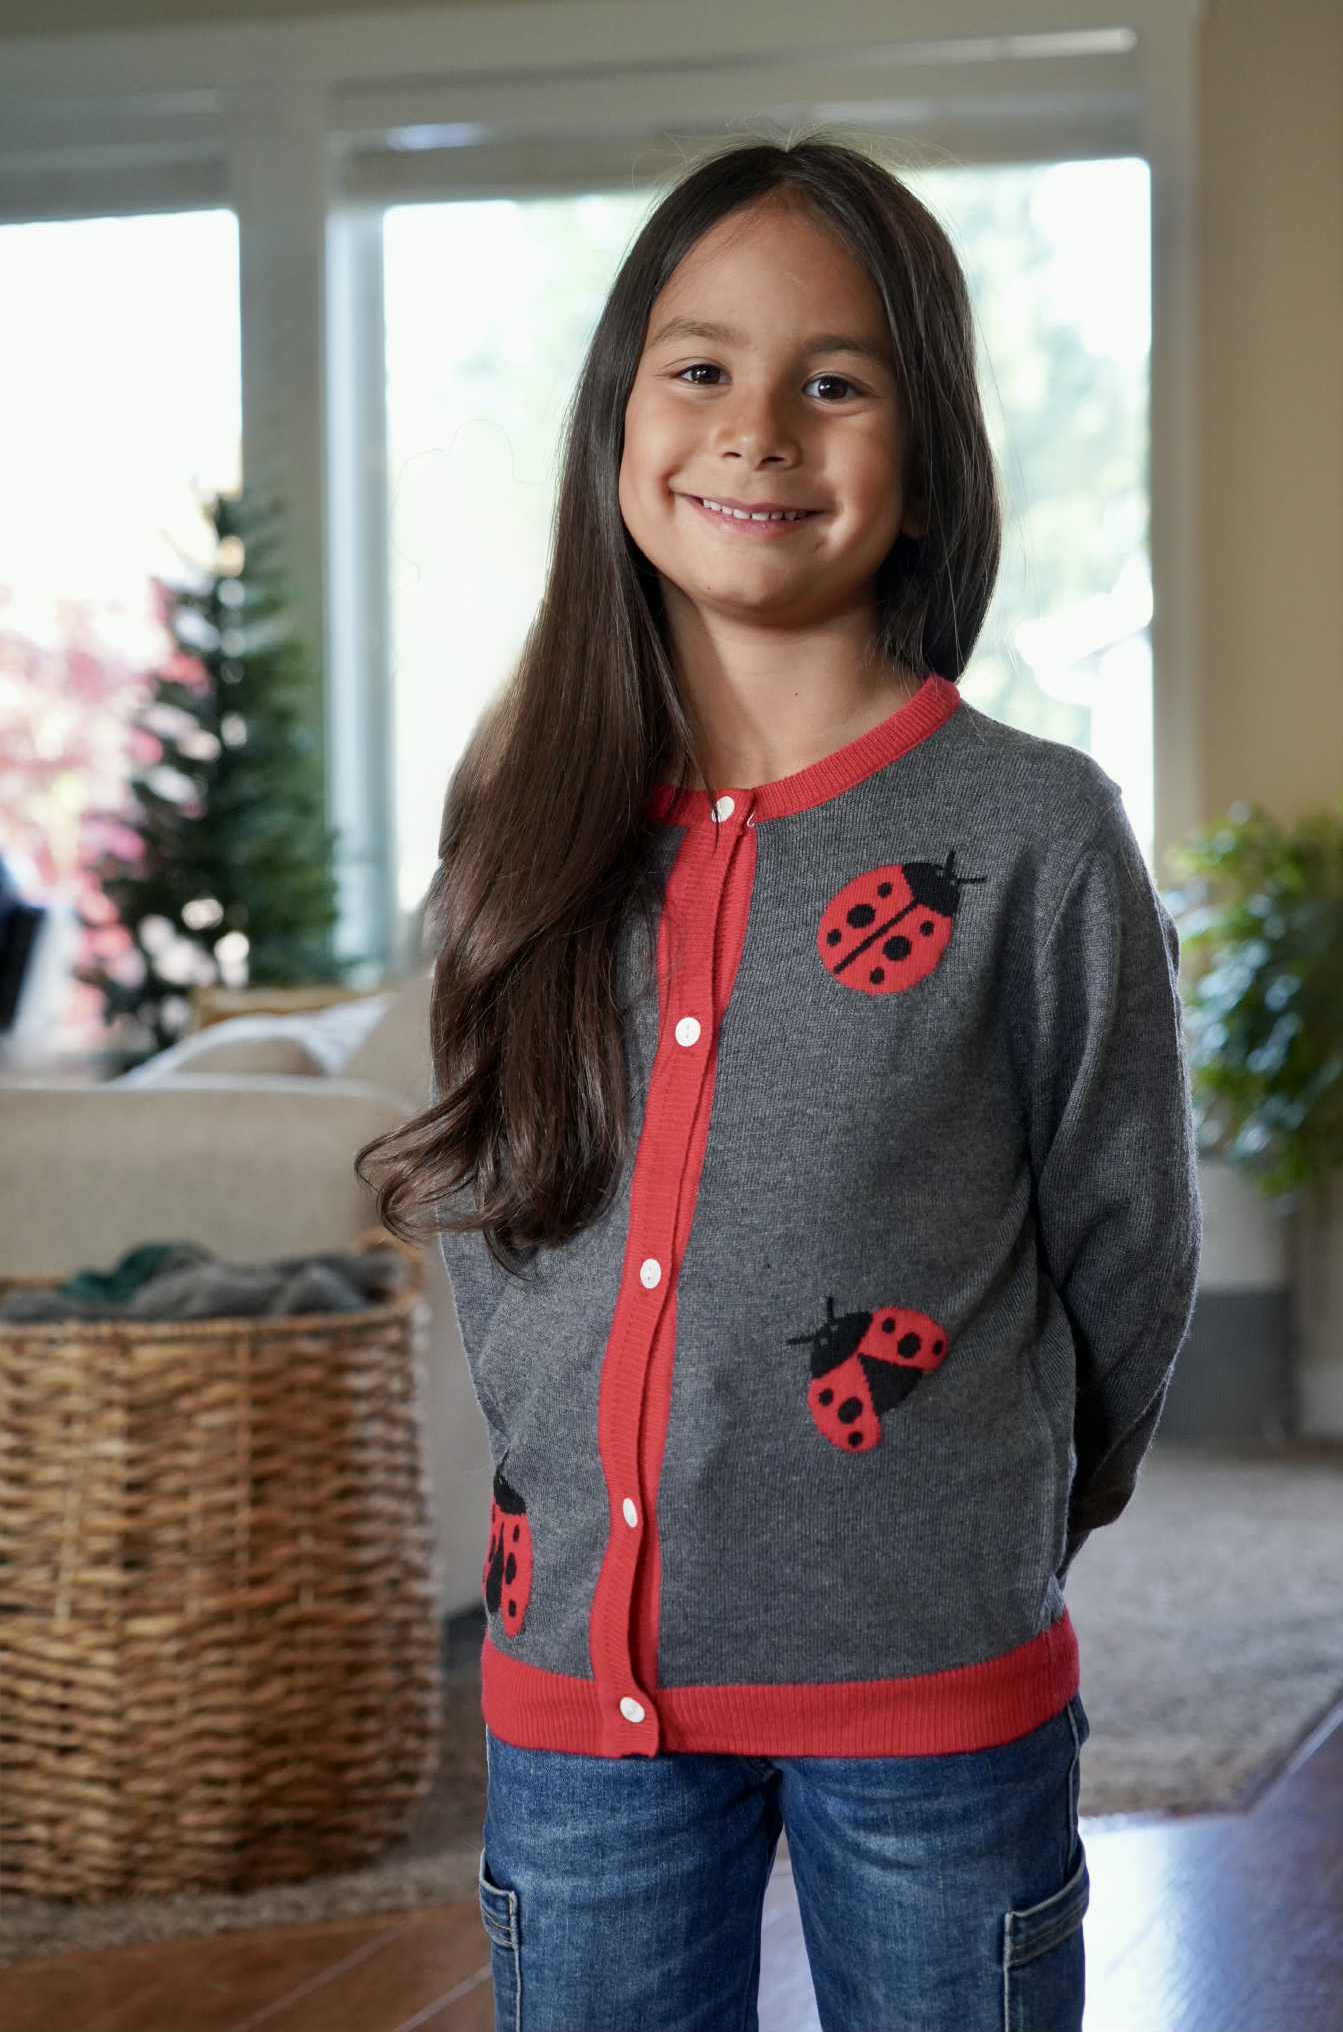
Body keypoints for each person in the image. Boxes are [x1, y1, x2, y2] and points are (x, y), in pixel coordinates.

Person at [356, 130, 1203, 2032]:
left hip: (932, 1690)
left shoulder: (1031, 832)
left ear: (923, 465)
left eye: (834, 381)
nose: (756, 429)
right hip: (582, 1692)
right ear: (618, 423)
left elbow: (1123, 1246)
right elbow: (502, 1220)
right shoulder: (521, 822)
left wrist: (989, 1520)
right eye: (700, 368)